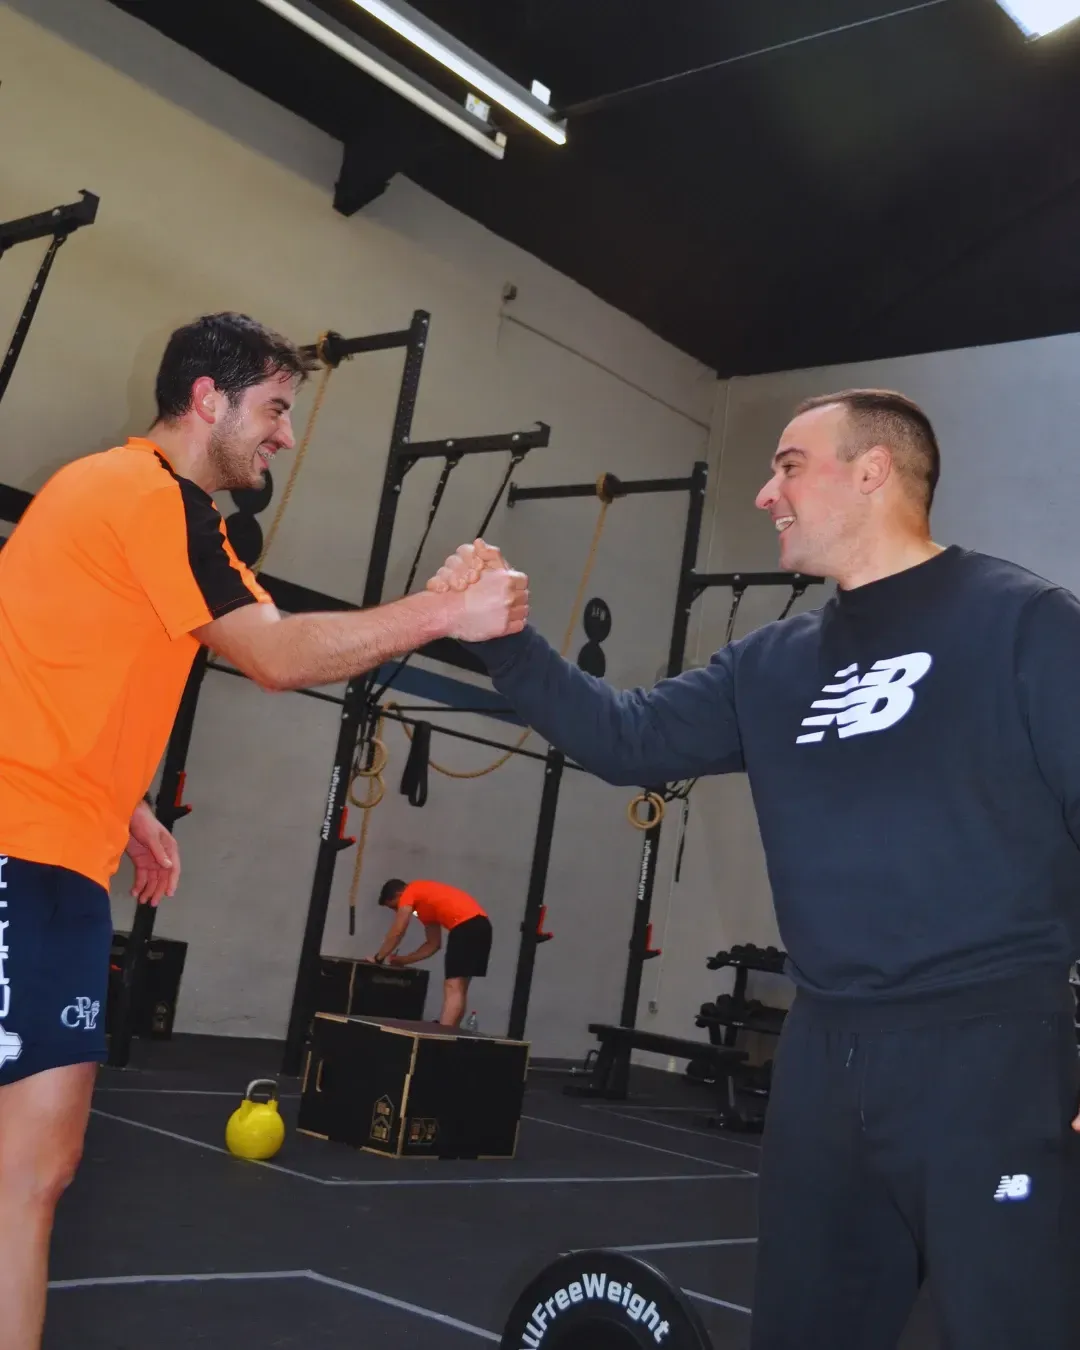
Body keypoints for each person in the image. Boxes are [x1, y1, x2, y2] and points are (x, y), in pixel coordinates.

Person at [428, 389, 1080, 1350]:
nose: (766, 493)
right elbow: (627, 734)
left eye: (788, 465)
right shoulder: (775, 662)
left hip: (989, 1050)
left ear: (873, 472)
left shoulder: (1026, 623)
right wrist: (506, 644)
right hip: (824, 1060)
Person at [0, 311, 528, 1350]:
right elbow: (277, 655)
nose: (285, 435)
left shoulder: (130, 505)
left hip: (58, 849)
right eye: (276, 409)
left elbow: (34, 657)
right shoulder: (150, 498)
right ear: (209, 399)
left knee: (36, 1168)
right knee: (25, 1167)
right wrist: (439, 617)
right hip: (16, 848)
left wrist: (129, 804)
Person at [370, 877, 493, 1027]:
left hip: (466, 927)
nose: (398, 911)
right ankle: (451, 1031)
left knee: (452, 986)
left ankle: (442, 1035)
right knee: (459, 988)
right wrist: (403, 960)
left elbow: (398, 930)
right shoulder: (425, 906)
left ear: (399, 893)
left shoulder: (411, 890)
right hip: (482, 926)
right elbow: (433, 944)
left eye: (395, 907)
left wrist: (378, 958)